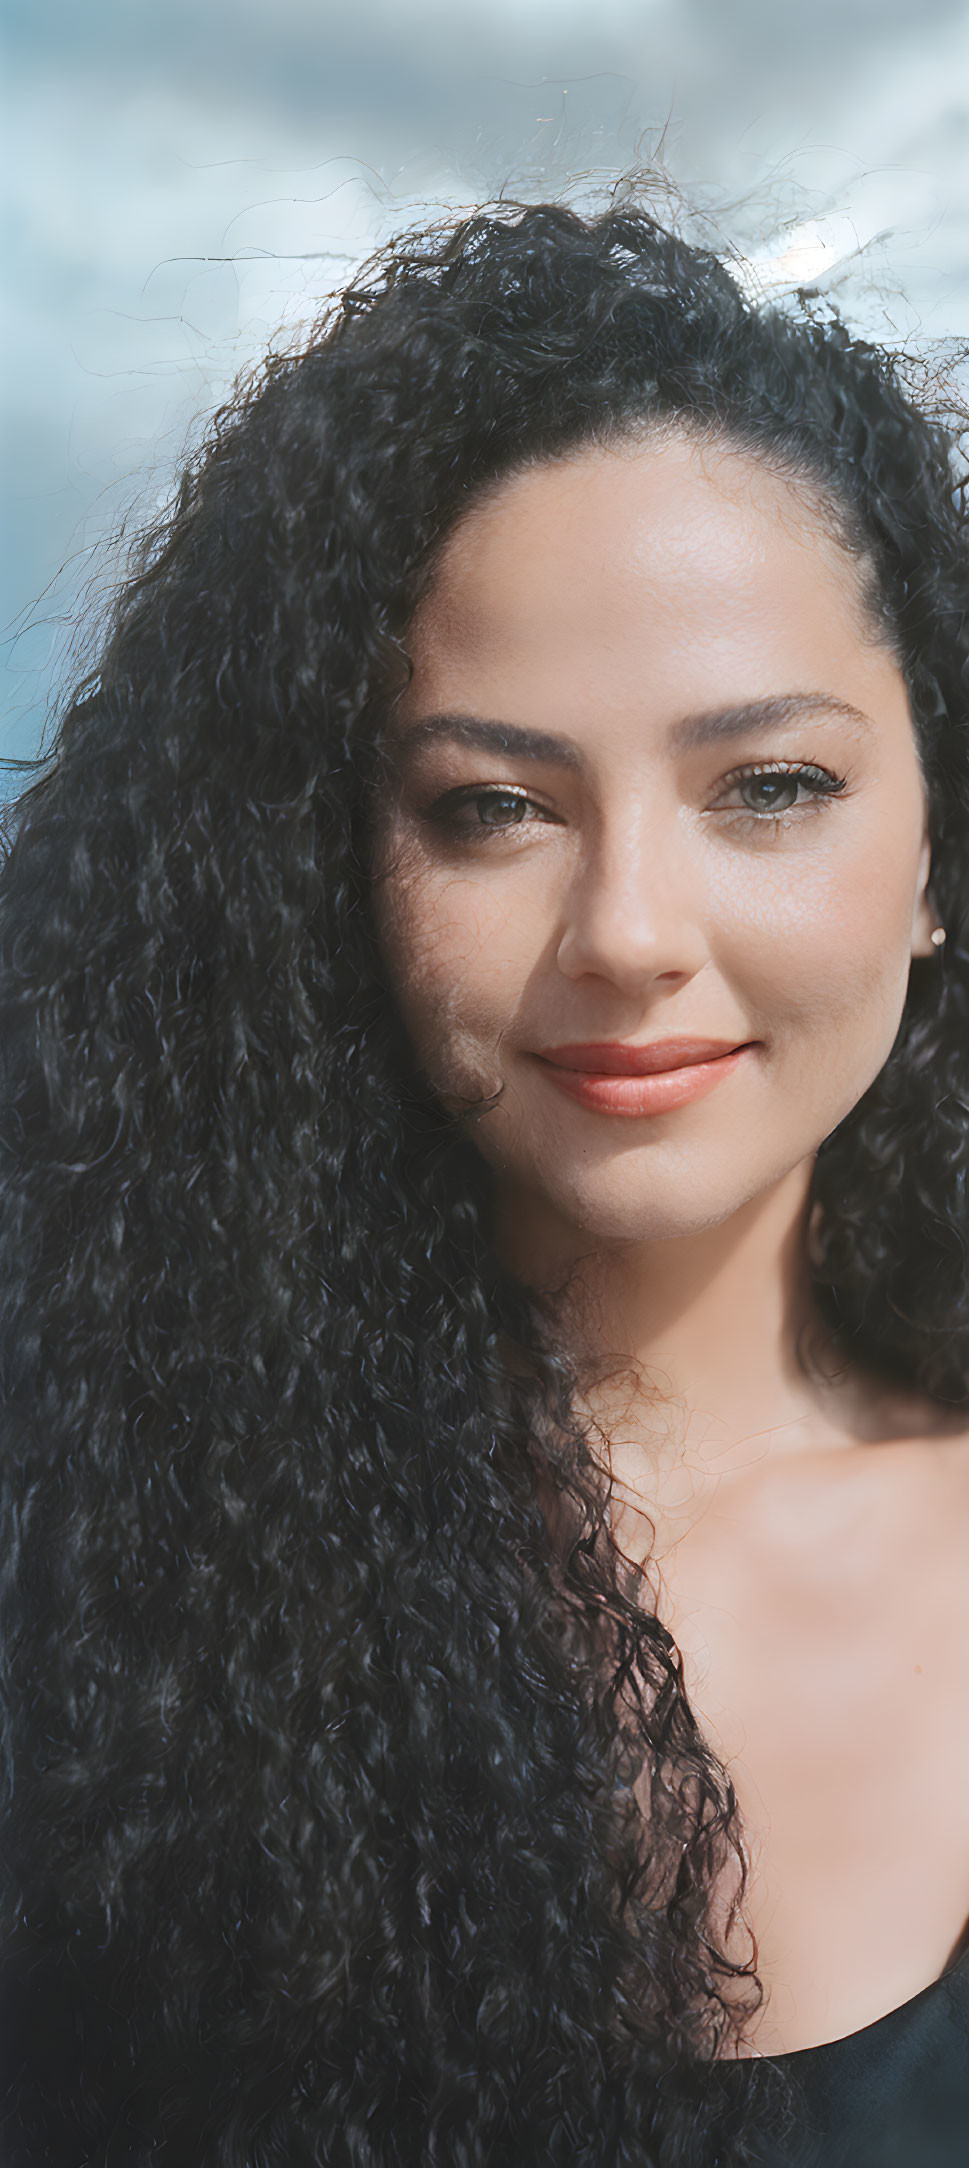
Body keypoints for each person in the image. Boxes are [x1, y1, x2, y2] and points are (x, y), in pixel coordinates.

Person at [0, 188, 967, 2168]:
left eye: (764, 785)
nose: (624, 929)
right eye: (491, 806)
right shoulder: (94, 1581)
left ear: (938, 855)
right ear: (333, 873)